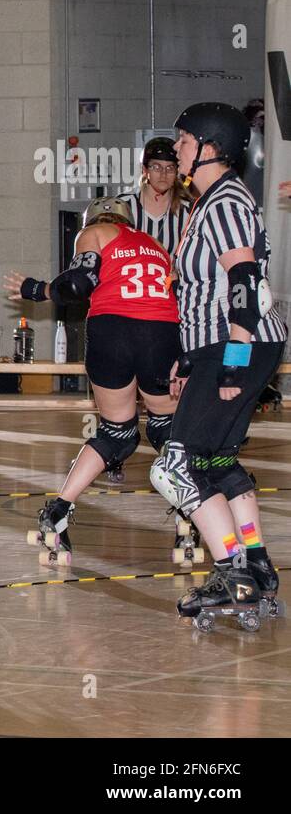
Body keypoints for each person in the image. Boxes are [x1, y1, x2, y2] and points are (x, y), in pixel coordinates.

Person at [150, 102, 287, 631]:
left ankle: (232, 570)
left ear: (210, 147)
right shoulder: (209, 202)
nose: (177, 150)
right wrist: (190, 358)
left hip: (239, 344)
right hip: (226, 345)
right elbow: (200, 292)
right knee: (212, 462)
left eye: (183, 141)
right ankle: (254, 562)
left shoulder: (225, 200)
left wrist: (230, 362)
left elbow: (245, 283)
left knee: (174, 467)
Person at [5, 196, 181, 566]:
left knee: (118, 434)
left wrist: (36, 290)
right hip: (161, 334)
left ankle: (58, 510)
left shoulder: (94, 232)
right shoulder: (156, 246)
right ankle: (188, 513)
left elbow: (77, 286)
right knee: (169, 430)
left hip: (112, 330)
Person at [120, 136, 188, 255]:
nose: (163, 174)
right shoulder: (123, 205)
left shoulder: (188, 210)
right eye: (156, 167)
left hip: (171, 273)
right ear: (145, 170)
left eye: (170, 168)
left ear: (177, 172)